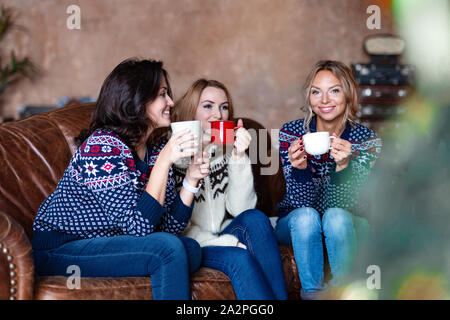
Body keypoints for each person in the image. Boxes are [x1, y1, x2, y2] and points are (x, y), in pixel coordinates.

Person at [31, 58, 210, 300]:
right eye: (162, 94)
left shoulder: (154, 150)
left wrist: (190, 181)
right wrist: (164, 162)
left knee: (189, 249)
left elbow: (169, 228)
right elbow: (138, 228)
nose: (170, 103)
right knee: (169, 250)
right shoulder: (102, 148)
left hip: (108, 241)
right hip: (61, 248)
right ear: (136, 101)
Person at [170, 79, 288, 300]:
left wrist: (238, 156)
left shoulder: (226, 148)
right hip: (195, 243)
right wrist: (226, 242)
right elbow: (177, 227)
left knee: (255, 217)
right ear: (190, 110)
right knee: (239, 257)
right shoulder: (172, 153)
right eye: (208, 106)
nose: (218, 114)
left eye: (224, 107)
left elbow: (241, 209)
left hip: (226, 230)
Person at [275, 60, 382, 300]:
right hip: (297, 221)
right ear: (308, 97)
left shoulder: (366, 140)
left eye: (334, 90)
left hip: (349, 220)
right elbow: (302, 204)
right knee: (305, 218)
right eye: (316, 91)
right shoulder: (291, 133)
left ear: (348, 94)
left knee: (335, 217)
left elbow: (345, 206)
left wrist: (344, 167)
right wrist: (300, 169)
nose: (324, 100)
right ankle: (312, 295)